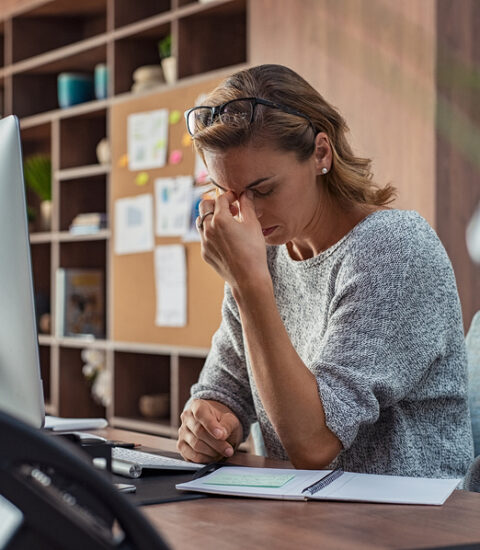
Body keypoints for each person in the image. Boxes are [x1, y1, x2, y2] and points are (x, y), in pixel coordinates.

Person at [177, 64, 473, 477]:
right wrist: (208, 421)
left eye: (263, 190)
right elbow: (226, 387)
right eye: (229, 193)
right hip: (307, 515)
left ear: (321, 153)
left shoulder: (393, 248)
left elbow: (314, 443)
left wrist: (248, 283)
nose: (247, 213)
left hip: (413, 523)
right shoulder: (265, 256)